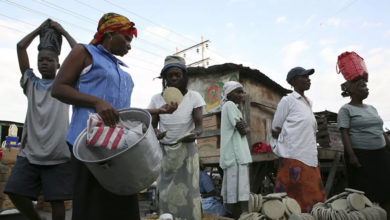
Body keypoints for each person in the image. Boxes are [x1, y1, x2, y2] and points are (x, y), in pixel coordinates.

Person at [51, 13, 175, 220]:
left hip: (117, 146)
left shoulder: (120, 69)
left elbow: (120, 112)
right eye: (126, 39)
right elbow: (58, 88)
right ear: (109, 33)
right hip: (88, 143)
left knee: (123, 200)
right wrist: (95, 101)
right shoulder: (84, 52)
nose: (129, 45)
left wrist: (156, 112)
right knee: (91, 205)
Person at [4, 19, 76, 220]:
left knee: (57, 202)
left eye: (49, 60)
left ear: (58, 64)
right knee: (15, 191)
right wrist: (38, 29)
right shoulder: (31, 84)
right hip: (30, 153)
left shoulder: (64, 86)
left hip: (59, 154)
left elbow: (78, 51)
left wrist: (62, 30)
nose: (44, 62)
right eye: (40, 59)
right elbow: (20, 47)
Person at [148, 55, 205, 220]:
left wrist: (195, 133)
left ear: (184, 76)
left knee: (190, 189)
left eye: (177, 75)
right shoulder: (156, 99)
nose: (173, 78)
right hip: (165, 150)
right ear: (164, 78)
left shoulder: (194, 97)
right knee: (165, 190)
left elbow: (199, 125)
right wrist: (157, 133)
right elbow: (153, 126)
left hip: (187, 149)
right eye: (169, 75)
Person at [271, 67, 326, 213]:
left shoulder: (308, 103)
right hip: (293, 157)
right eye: (304, 76)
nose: (308, 79)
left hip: (309, 157)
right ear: (294, 81)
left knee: (313, 199)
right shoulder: (288, 100)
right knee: (291, 203)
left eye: (309, 77)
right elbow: (276, 128)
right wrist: (283, 148)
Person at [338, 76, 390, 217]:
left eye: (366, 86)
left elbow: (380, 129)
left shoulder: (372, 108)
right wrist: (352, 155)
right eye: (362, 86)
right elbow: (345, 133)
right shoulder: (345, 110)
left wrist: (388, 145)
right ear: (353, 91)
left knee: (386, 187)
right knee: (364, 191)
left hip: (380, 154)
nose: (366, 88)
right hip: (361, 155)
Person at [219, 81, 252, 219]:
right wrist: (247, 127)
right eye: (237, 91)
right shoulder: (230, 105)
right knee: (237, 193)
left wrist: (245, 126)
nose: (240, 95)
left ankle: (236, 216)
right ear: (228, 94)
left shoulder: (231, 107)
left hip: (234, 155)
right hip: (235, 155)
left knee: (236, 192)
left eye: (241, 92)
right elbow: (243, 129)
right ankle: (238, 217)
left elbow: (241, 127)